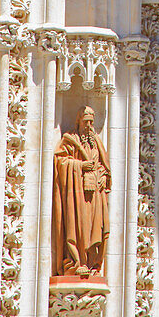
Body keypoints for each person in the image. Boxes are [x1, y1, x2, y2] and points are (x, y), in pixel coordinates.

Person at [52, 106, 110, 278]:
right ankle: (77, 262)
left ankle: (94, 263)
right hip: (77, 194)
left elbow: (104, 166)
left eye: (92, 122)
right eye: (86, 121)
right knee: (78, 226)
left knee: (98, 227)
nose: (89, 125)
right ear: (79, 121)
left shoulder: (96, 142)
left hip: (95, 195)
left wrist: (103, 177)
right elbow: (61, 161)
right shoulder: (70, 140)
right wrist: (79, 166)